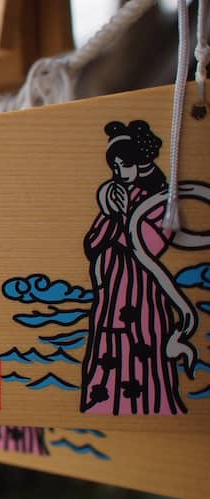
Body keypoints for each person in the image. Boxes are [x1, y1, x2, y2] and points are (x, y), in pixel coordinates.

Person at [80, 120, 190, 415]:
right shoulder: (113, 199)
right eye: (115, 167)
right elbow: (92, 244)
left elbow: (153, 244)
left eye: (124, 166)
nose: (119, 173)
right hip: (113, 287)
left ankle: (149, 403)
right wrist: (110, 214)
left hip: (142, 285)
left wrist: (123, 221)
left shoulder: (156, 200)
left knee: (143, 340)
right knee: (109, 342)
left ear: (141, 164)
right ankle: (104, 401)